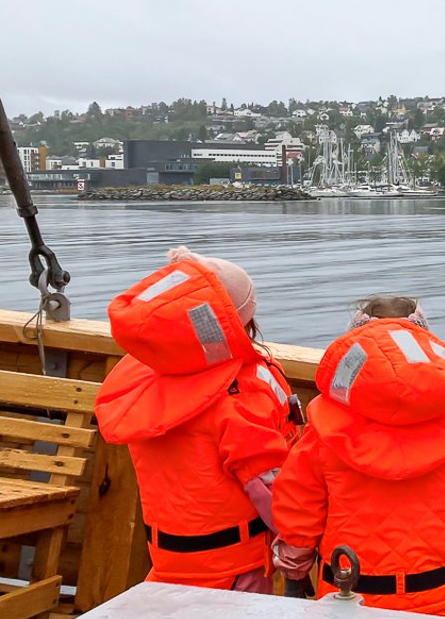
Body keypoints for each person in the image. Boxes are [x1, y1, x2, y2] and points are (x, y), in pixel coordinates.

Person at [271, 296, 445, 615]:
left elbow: (299, 507)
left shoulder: (324, 432)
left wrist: (295, 572)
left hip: (348, 589)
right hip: (434, 588)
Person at [95, 247, 295, 592]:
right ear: (238, 322)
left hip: (171, 561)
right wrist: (299, 540)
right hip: (234, 568)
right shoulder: (237, 394)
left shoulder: (144, 377)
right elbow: (268, 484)